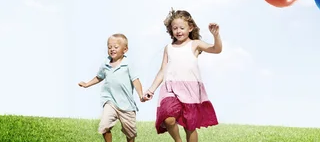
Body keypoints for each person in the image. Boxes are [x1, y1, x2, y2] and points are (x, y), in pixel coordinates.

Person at [142, 8, 222, 142]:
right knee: (168, 119)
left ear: (190, 28)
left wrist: (216, 35)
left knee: (190, 126)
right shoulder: (169, 48)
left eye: (182, 28)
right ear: (171, 30)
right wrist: (151, 89)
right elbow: (163, 70)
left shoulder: (195, 44)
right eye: (175, 28)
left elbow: (216, 49)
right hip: (170, 89)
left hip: (190, 90)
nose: (178, 31)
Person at [79, 33, 145, 142]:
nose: (112, 49)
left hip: (126, 105)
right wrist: (86, 84)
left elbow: (135, 80)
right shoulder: (105, 63)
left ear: (125, 50)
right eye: (109, 47)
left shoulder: (128, 64)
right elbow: (99, 77)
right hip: (110, 101)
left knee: (130, 133)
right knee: (104, 126)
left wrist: (141, 95)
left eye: (115, 47)